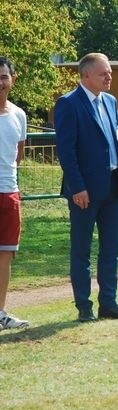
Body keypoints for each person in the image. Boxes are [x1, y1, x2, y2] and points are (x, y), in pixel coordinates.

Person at [54, 52, 118, 322]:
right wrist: (77, 187)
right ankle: (84, 306)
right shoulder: (68, 103)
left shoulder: (111, 101)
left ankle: (109, 303)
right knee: (82, 250)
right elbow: (67, 151)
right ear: (86, 75)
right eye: (104, 73)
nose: (109, 77)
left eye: (110, 72)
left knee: (111, 249)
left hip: (113, 188)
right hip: (84, 192)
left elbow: (109, 140)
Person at [0, 56, 28, 330]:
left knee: (5, 255)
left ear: (12, 79)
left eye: (3, 77)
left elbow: (17, 156)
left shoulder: (19, 115)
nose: (0, 82)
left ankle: (0, 312)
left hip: (9, 193)